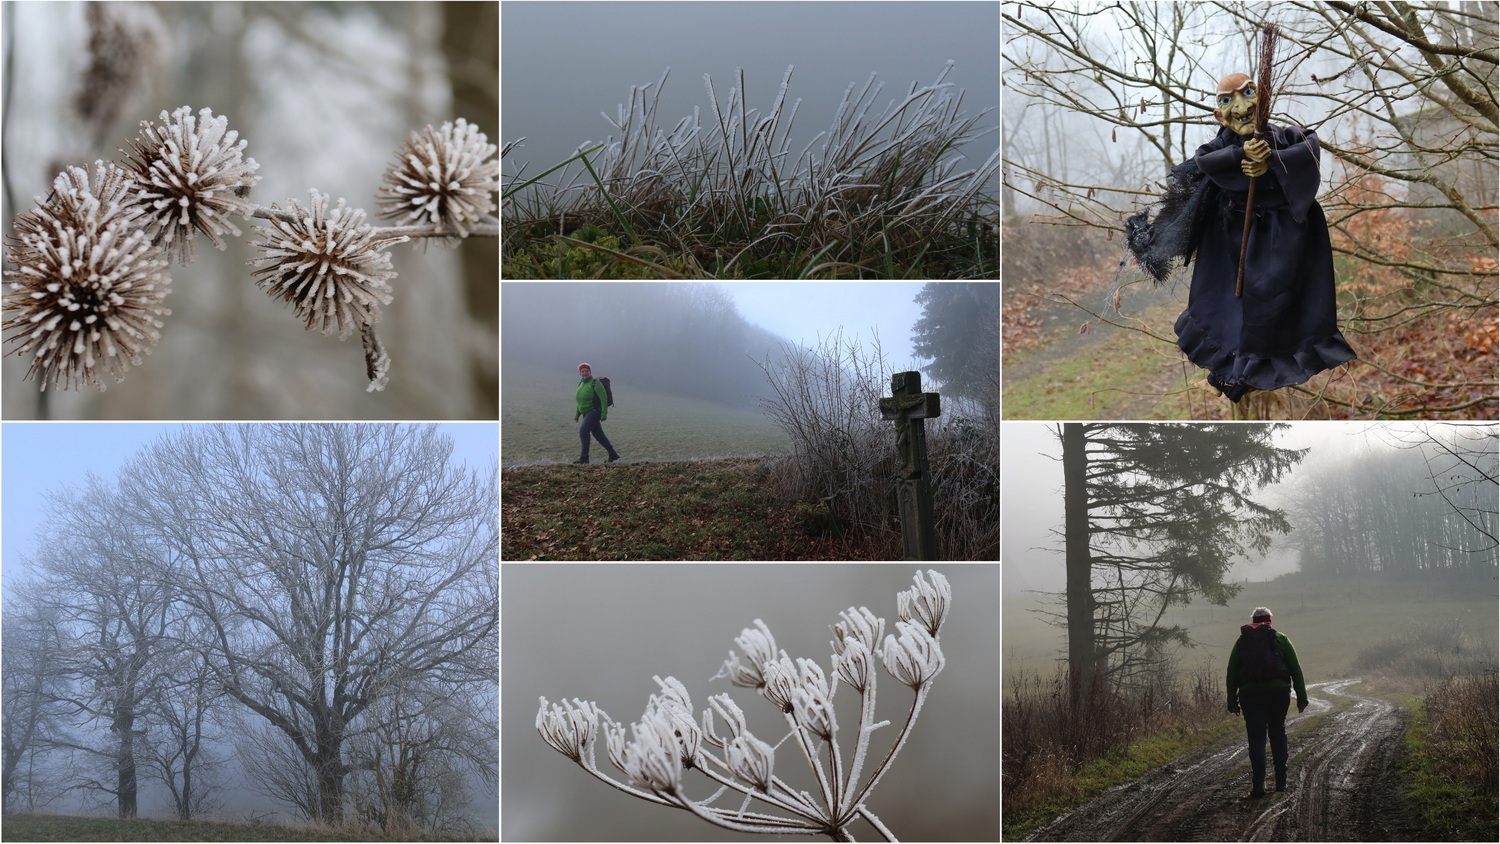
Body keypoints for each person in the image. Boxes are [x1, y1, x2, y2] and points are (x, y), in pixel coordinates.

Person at [1126, 71, 1357, 402]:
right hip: (1229, 244)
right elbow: (1208, 162)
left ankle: (1257, 370)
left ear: (1263, 100)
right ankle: (1234, 371)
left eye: (1248, 93)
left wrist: (1272, 163)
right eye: (1227, 100)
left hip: (1284, 243)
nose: (1241, 106)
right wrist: (1240, 160)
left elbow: (1306, 152)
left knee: (1274, 305)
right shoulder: (1219, 148)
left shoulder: (1287, 140)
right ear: (1219, 115)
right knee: (1229, 313)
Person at [1226, 606, 1308, 798]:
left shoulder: (1241, 642)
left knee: (1256, 739)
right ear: (1270, 621)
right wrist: (1302, 697)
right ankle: (1281, 782)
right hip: (1278, 692)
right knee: (1278, 733)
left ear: (1253, 621)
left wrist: (1232, 701)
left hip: (1250, 694)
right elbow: (1296, 669)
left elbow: (1231, 673)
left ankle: (1258, 785)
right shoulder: (1281, 638)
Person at [572, 363, 619, 464]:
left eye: (586, 371)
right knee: (598, 435)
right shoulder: (581, 384)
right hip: (586, 413)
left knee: (583, 431)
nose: (584, 373)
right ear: (580, 373)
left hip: (594, 411)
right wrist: (577, 415)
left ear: (590, 372)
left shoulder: (595, 382)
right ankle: (613, 454)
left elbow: (603, 398)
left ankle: (584, 458)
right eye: (582, 371)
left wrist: (603, 414)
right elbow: (580, 401)